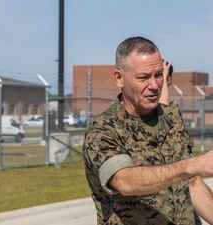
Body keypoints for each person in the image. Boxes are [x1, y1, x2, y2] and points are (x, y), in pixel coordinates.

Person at [82, 36, 213, 224]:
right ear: (119, 78)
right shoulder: (104, 129)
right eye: (143, 77)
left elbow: (191, 183)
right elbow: (124, 182)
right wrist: (191, 165)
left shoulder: (171, 119)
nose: (154, 85)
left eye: (159, 75)